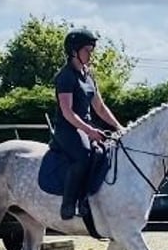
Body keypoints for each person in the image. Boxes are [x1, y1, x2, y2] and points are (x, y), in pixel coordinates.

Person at [51, 28, 124, 220]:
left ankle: (93, 199)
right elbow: (67, 111)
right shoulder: (65, 77)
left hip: (85, 128)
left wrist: (119, 128)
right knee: (84, 156)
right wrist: (90, 130)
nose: (91, 54)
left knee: (105, 151)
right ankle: (69, 204)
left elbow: (99, 107)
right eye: (87, 50)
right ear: (74, 51)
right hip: (67, 130)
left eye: (92, 50)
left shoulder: (88, 76)